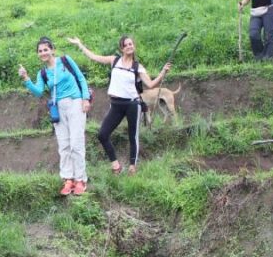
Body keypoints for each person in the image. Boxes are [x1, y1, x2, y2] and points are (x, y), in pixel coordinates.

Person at [68, 35, 171, 175]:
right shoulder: (114, 60)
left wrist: (163, 72)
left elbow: (151, 84)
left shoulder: (137, 67)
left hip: (132, 104)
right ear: (121, 48)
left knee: (133, 135)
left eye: (131, 44)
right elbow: (94, 57)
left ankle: (132, 167)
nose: (129, 46)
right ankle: (116, 165)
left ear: (133, 46)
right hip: (116, 104)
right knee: (102, 134)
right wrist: (80, 44)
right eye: (126, 45)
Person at [18, 37, 91, 196]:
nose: (43, 53)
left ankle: (80, 180)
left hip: (75, 103)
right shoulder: (42, 73)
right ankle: (68, 179)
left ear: (52, 50)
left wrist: (85, 98)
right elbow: (38, 92)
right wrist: (26, 79)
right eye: (40, 51)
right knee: (63, 145)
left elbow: (81, 78)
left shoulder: (65, 61)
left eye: (45, 49)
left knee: (76, 143)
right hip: (58, 109)